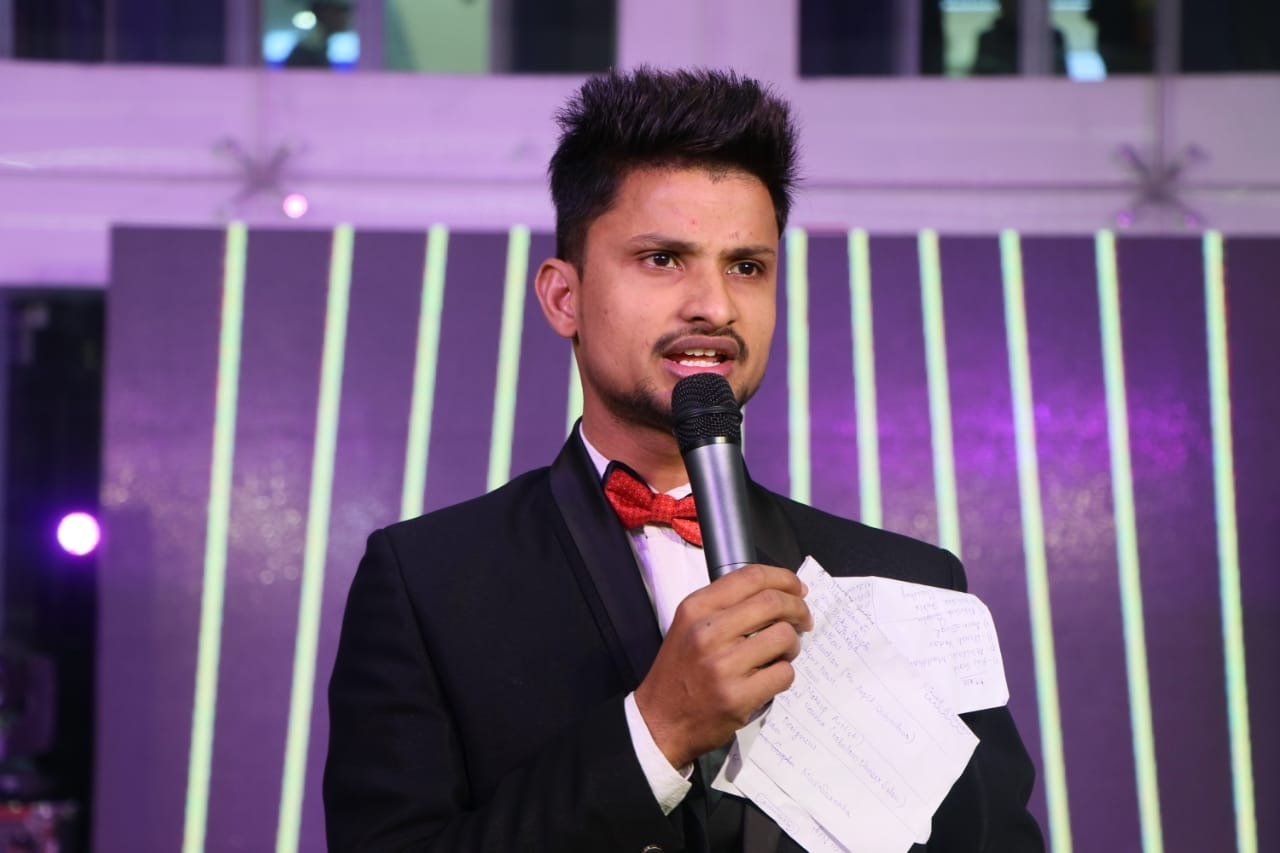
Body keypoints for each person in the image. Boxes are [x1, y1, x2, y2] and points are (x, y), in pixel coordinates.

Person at [323, 67, 1045, 852]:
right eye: (664, 258)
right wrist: (656, 731)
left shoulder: (911, 581)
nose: (715, 305)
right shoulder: (427, 582)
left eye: (746, 266)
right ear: (563, 297)